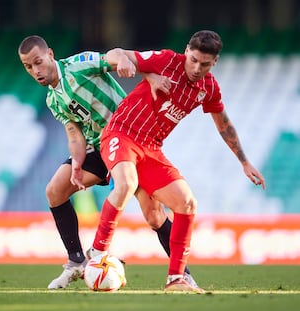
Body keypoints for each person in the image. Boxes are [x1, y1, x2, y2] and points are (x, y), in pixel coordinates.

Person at [86, 30, 266, 293]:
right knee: (125, 183)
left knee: (186, 203)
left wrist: (244, 161)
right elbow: (118, 54)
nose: (196, 68)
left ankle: (176, 279)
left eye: (204, 64)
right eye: (193, 59)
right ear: (186, 50)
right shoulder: (166, 60)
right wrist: (126, 62)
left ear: (214, 62)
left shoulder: (209, 88)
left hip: (151, 148)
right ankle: (97, 253)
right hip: (121, 132)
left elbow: (223, 124)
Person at [18, 35, 199, 289]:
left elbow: (109, 57)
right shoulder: (52, 99)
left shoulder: (77, 65)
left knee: (154, 215)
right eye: (28, 67)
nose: (35, 70)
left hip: (125, 138)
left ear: (50, 54)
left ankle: (183, 274)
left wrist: (124, 61)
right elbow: (74, 135)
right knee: (55, 191)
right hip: (96, 148)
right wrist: (78, 164)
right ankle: (77, 262)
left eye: (38, 62)